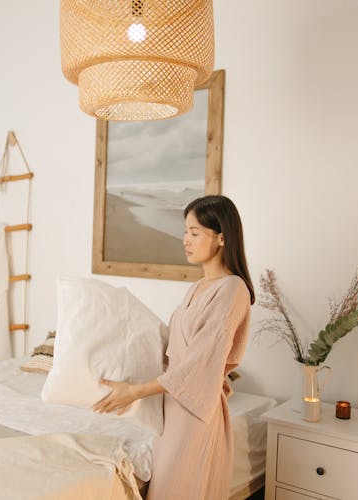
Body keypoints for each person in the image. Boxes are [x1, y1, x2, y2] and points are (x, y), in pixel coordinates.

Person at [92, 194, 255, 499]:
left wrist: (136, 392)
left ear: (221, 237)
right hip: (173, 406)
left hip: (195, 410)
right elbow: (171, 347)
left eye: (195, 233)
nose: (185, 240)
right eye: (185, 232)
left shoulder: (232, 289)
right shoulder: (196, 288)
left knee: (179, 489)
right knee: (165, 487)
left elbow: (199, 363)